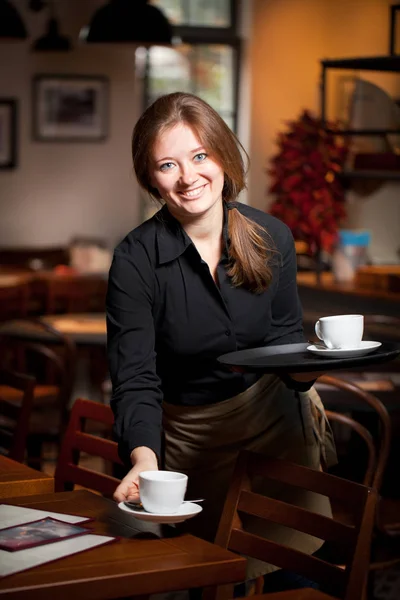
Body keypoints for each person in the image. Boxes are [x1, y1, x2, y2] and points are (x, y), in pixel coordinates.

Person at [107, 92, 336, 586]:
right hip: (191, 441)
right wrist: (143, 459)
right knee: (206, 577)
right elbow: (136, 378)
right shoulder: (135, 260)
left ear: (223, 157)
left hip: (276, 431)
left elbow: (283, 342)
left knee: (292, 575)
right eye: (168, 164)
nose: (189, 178)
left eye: (200, 156)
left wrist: (310, 365)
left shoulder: (272, 237)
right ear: (151, 178)